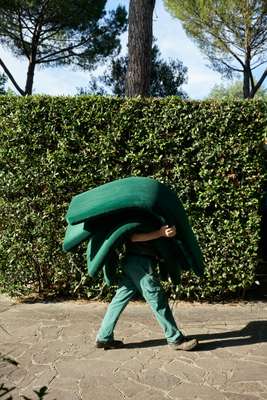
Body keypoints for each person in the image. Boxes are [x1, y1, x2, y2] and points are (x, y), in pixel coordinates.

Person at [96, 225, 198, 351]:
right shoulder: (138, 214)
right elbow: (133, 237)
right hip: (140, 262)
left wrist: (169, 233)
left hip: (133, 261)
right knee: (157, 299)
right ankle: (175, 339)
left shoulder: (146, 214)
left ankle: (104, 337)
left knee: (119, 299)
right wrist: (160, 233)